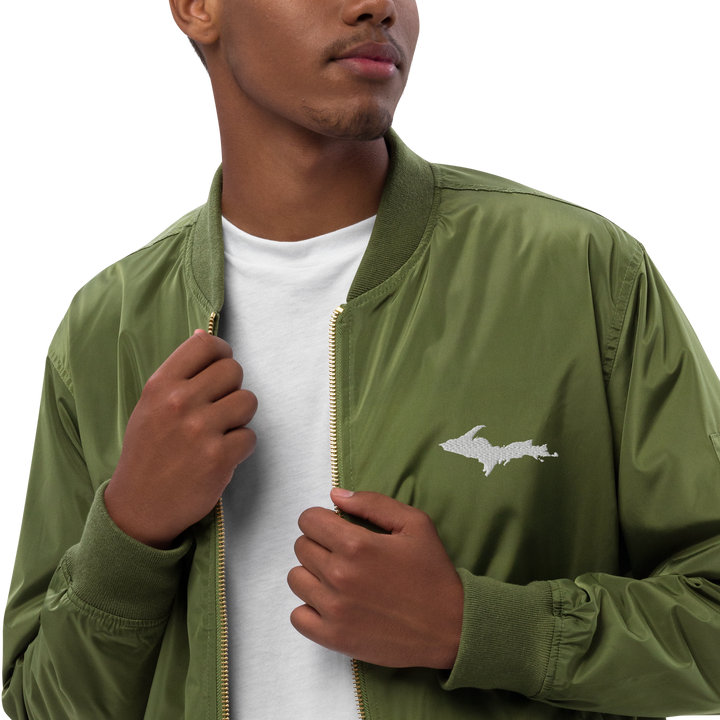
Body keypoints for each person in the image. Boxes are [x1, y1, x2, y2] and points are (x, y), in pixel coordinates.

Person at [2, 0, 719, 718]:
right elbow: (38, 706)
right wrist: (129, 531)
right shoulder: (104, 327)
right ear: (198, 9)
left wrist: (475, 628)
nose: (377, 5)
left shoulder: (582, 272)